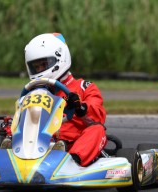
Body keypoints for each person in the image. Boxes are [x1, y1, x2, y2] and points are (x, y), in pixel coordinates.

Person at [23, 32, 107, 166]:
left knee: (97, 130)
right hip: (39, 143)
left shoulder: (84, 87)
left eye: (43, 65)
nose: (39, 70)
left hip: (73, 145)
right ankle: (8, 156)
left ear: (59, 59)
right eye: (36, 67)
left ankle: (71, 163)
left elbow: (98, 116)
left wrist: (80, 107)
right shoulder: (34, 92)